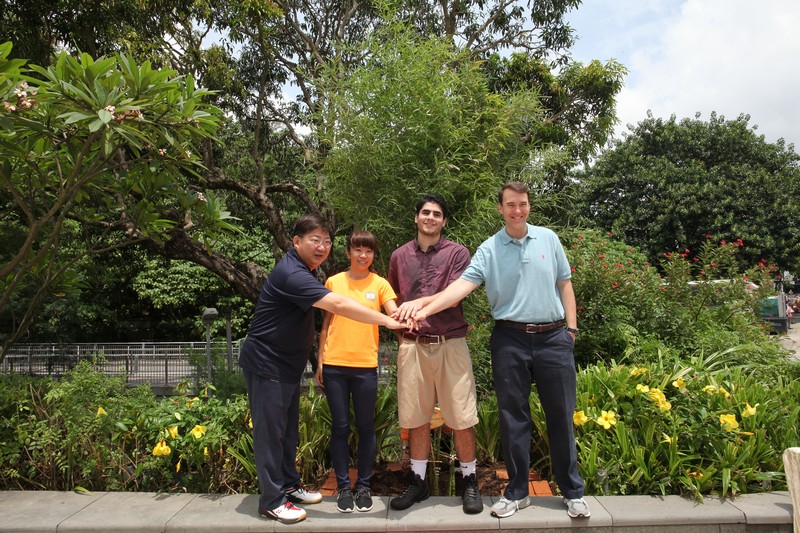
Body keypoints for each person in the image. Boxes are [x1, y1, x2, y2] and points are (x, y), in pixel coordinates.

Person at [410, 182, 590, 519]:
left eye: (522, 204)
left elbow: (565, 283)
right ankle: (518, 491)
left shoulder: (549, 239)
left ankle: (572, 491)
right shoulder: (489, 248)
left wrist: (572, 329)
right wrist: (425, 308)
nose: (517, 210)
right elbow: (460, 287)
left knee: (561, 416)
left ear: (529, 206)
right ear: (501, 209)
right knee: (512, 418)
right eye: (510, 205)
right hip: (510, 339)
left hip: (554, 338)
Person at [238, 214, 405, 525]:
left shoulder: (305, 271)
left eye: (326, 241)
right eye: (314, 240)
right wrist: (386, 320)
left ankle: (289, 484)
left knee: (287, 432)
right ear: (296, 241)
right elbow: (338, 306)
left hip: (287, 366)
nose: (322, 246)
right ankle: (272, 501)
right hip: (267, 364)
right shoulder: (292, 273)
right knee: (270, 434)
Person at [387, 194, 483, 514]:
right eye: (425, 212)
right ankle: (418, 481)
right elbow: (392, 298)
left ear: (444, 221)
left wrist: (419, 304)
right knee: (416, 418)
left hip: (451, 344)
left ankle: (469, 481)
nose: (430, 217)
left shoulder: (458, 253)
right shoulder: (399, 256)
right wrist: (399, 326)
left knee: (462, 418)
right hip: (413, 346)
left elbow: (455, 295)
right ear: (416, 218)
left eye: (437, 214)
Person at [314, 231, 398, 514]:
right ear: (348, 252)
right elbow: (326, 323)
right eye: (358, 249)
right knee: (338, 427)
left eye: (369, 251)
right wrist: (320, 359)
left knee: (365, 428)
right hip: (336, 365)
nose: (363, 255)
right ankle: (342, 488)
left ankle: (363, 486)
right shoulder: (333, 282)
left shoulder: (381, 284)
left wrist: (409, 314)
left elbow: (392, 313)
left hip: (365, 367)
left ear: (374, 255)